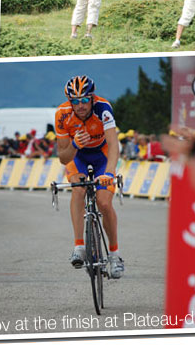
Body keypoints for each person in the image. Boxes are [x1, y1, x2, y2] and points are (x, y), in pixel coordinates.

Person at [55, 75, 124, 277]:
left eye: (84, 100)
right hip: (78, 157)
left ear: (92, 98)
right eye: (74, 101)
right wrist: (75, 144)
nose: (80, 105)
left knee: (104, 203)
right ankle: (79, 247)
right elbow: (62, 157)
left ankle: (114, 255)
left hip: (102, 156)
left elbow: (113, 145)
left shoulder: (103, 108)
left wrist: (110, 173)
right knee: (78, 188)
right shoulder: (62, 114)